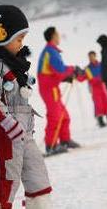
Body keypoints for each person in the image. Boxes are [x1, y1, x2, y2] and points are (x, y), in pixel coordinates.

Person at [0, 5, 52, 209]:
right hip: (3, 129)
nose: (22, 44)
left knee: (36, 172)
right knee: (7, 177)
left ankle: (40, 204)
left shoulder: (11, 62)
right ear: (1, 35)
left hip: (22, 130)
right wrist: (6, 121)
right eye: (18, 39)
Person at [37, 26, 80, 155]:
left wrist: (70, 73)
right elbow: (60, 71)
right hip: (49, 90)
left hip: (52, 87)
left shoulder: (51, 51)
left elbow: (54, 72)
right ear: (53, 36)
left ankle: (65, 140)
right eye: (58, 34)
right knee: (55, 117)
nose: (59, 36)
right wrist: (72, 71)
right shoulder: (50, 51)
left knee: (64, 116)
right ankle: (51, 145)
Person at [77, 51, 107, 127]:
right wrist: (77, 74)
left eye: (92, 56)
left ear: (95, 56)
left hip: (104, 86)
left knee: (106, 102)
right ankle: (100, 121)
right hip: (94, 88)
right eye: (89, 57)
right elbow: (82, 78)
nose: (91, 58)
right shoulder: (87, 69)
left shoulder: (101, 65)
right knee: (98, 104)